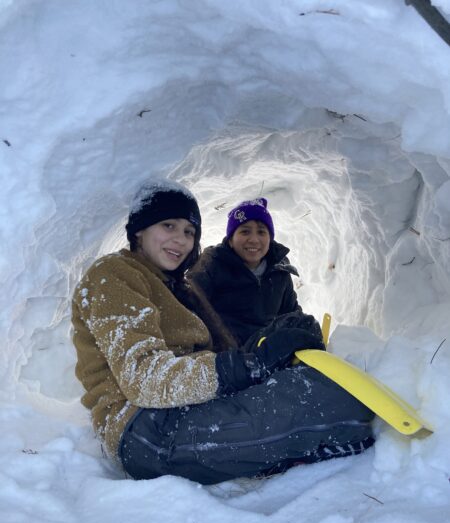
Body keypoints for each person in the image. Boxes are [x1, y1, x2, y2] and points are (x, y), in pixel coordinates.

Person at [71, 181, 374, 485]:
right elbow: (144, 377)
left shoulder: (175, 286)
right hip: (144, 429)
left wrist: (269, 350)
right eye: (168, 226)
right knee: (329, 401)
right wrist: (247, 366)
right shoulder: (113, 276)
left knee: (311, 380)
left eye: (189, 232)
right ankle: (292, 449)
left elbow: (219, 351)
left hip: (187, 406)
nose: (180, 240)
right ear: (139, 230)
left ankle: (269, 447)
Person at [187, 197, 322, 348]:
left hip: (266, 352)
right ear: (231, 240)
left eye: (261, 232)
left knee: (309, 326)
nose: (254, 239)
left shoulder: (279, 271)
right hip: (225, 357)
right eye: (245, 231)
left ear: (270, 238)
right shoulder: (211, 265)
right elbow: (189, 311)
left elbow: (290, 314)